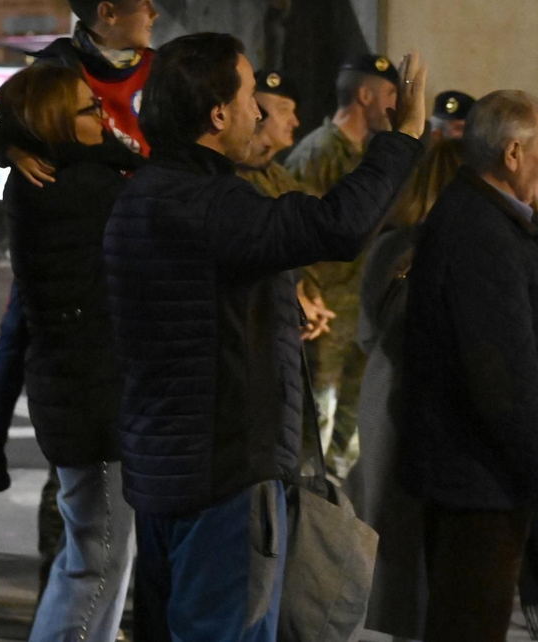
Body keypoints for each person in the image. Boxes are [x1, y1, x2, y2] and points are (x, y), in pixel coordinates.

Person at [105, 34, 426, 641]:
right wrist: (404, 136)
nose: (259, 110)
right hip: (223, 472)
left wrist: (279, 305)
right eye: (251, 95)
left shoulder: (142, 196)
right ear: (218, 113)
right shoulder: (211, 201)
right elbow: (339, 225)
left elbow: (201, 303)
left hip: (163, 464)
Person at [0, 0, 157, 507]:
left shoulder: (161, 71)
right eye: (144, 2)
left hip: (140, 227)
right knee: (23, 320)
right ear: (107, 13)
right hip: (82, 234)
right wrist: (13, 148)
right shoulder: (55, 69)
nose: (155, 12)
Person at [400, 91, 538, 642]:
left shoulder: (495, 220)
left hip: (491, 475)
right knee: (469, 623)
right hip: (478, 480)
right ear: (513, 153)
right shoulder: (479, 232)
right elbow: (505, 374)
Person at [0, 64, 142, 642]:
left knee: (91, 553)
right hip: (92, 395)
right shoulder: (81, 187)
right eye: (86, 109)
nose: (101, 117)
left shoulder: (53, 175)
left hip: (76, 388)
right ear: (54, 121)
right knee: (99, 560)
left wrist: (4, 141)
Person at [344, 138, 464, 642]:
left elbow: (366, 333)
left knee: (391, 540)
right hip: (426, 404)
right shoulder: (448, 249)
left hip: (384, 394)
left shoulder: (389, 244)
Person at [284, 53, 401, 468]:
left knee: (350, 428)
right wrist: (309, 298)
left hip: (358, 312)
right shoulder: (317, 153)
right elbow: (300, 237)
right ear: (365, 95)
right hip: (326, 317)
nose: (395, 104)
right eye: (389, 93)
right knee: (317, 421)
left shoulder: (369, 155)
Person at [238, 69, 334, 340]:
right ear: (255, 112)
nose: (295, 121)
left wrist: (310, 299)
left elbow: (305, 244)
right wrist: (294, 300)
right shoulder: (230, 179)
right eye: (283, 110)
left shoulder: (279, 177)